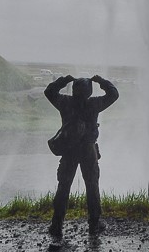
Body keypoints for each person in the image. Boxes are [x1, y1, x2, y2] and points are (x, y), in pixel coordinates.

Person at [45, 74, 119, 238]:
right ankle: (94, 224)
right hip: (88, 151)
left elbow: (49, 91)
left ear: (73, 90)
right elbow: (114, 94)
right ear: (89, 91)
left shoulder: (65, 102)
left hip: (69, 150)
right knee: (92, 186)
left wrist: (64, 80)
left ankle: (56, 225)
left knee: (63, 187)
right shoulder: (94, 104)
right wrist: (101, 81)